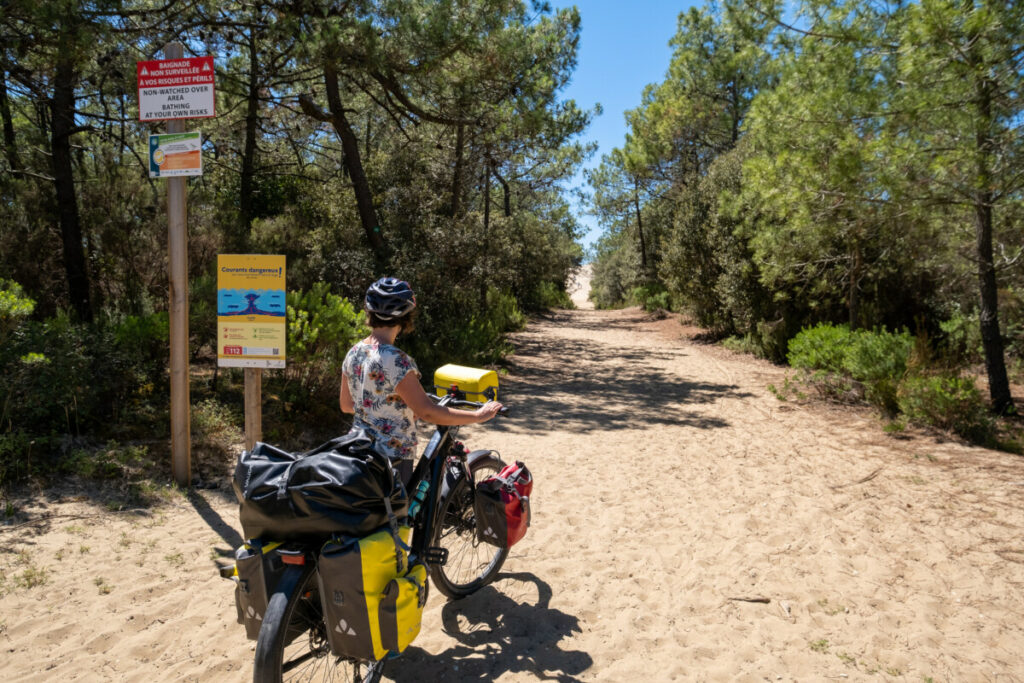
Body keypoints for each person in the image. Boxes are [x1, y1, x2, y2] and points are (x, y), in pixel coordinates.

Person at [339, 277, 503, 486]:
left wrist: (390, 413)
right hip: (390, 458)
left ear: (369, 313)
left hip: (355, 450)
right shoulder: (396, 360)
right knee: (399, 514)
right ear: (406, 317)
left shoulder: (354, 353)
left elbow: (346, 405)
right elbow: (427, 412)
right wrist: (478, 416)